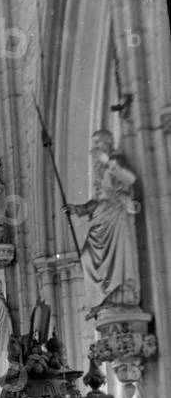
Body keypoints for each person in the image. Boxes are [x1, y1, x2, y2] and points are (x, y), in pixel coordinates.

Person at [64, 129, 140, 318]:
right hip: (101, 215)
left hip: (115, 213)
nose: (95, 147)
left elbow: (130, 179)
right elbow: (97, 198)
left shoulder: (116, 160)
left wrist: (108, 162)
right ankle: (101, 299)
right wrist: (79, 209)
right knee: (87, 256)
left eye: (99, 142)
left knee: (116, 258)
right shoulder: (98, 168)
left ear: (109, 143)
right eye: (94, 143)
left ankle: (118, 295)